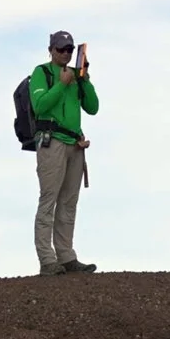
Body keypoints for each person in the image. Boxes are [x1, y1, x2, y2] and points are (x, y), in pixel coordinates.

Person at [30, 30, 101, 275]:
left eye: (70, 49)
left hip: (74, 144)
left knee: (69, 202)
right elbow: (39, 106)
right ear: (51, 49)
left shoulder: (75, 78)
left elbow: (93, 108)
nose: (66, 53)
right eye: (61, 49)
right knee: (49, 199)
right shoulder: (42, 73)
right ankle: (47, 259)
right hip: (51, 142)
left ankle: (66, 255)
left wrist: (85, 79)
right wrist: (62, 84)